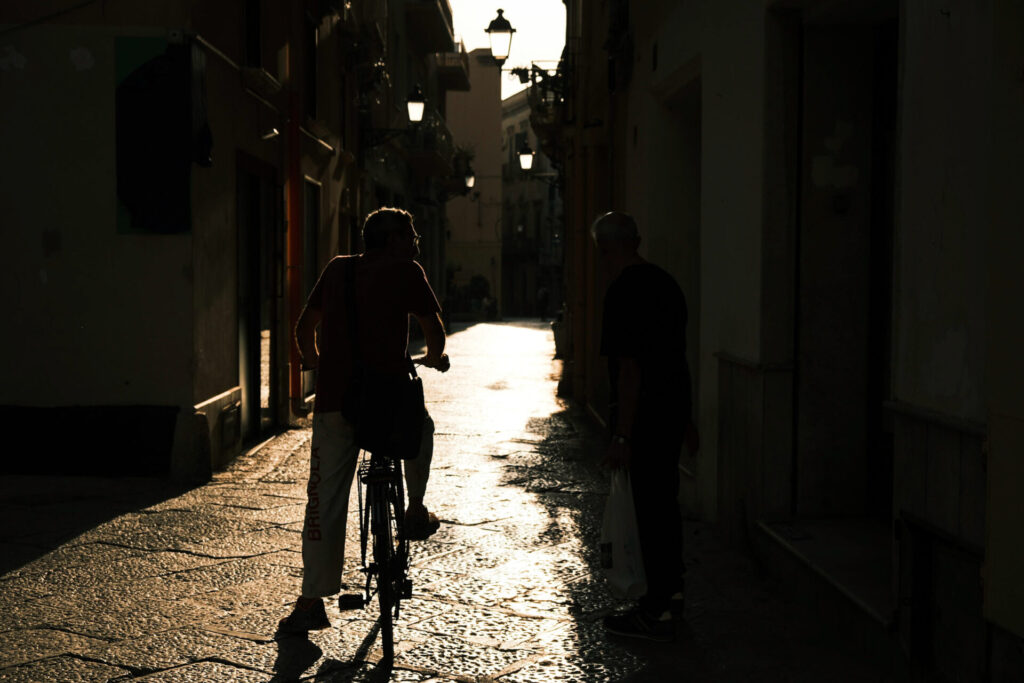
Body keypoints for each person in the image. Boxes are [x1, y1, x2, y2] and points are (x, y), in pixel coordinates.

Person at [278, 207, 450, 634]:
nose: (414, 242)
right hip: (389, 394)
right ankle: (414, 507)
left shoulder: (337, 270)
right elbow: (433, 331)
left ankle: (311, 601)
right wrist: (433, 358)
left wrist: (318, 363)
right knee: (420, 430)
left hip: (337, 399)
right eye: (410, 235)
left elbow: (304, 328)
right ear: (392, 239)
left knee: (325, 498)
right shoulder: (407, 271)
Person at [593, 211, 699, 643]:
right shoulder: (668, 284)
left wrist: (622, 434)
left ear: (603, 249)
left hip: (643, 420)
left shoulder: (621, 292)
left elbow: (630, 368)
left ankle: (654, 611)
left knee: (650, 514)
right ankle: (670, 599)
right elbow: (676, 356)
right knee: (665, 509)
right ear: (637, 239)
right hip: (670, 411)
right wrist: (687, 417)